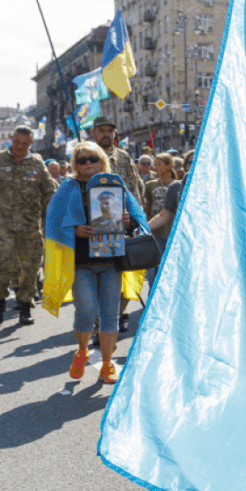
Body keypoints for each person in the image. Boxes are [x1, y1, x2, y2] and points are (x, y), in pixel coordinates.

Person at [43, 142, 147, 385]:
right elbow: (53, 222)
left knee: (111, 316)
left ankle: (108, 364)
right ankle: (81, 352)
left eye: (92, 158)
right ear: (75, 164)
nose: (87, 163)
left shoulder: (115, 184)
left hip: (111, 260)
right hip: (81, 263)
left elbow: (137, 219)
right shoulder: (68, 187)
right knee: (87, 312)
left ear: (102, 160)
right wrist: (74, 229)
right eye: (81, 160)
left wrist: (127, 220)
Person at [0, 126, 57, 326]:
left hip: (29, 226)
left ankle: (25, 307)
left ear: (31, 143)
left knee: (29, 267)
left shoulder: (37, 164)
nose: (19, 147)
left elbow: (49, 192)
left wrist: (54, 217)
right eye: (16, 142)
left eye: (24, 143)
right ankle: (0, 304)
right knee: (3, 265)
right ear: (11, 139)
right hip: (2, 225)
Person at [92, 116, 143, 332]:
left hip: (122, 227)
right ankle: (101, 326)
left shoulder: (123, 158)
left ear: (114, 133)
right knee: (101, 279)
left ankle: (117, 314)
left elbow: (134, 190)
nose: (106, 134)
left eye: (109, 130)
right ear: (94, 133)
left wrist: (136, 219)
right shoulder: (86, 156)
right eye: (101, 130)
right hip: (97, 229)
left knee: (124, 274)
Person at [144, 153, 177, 248]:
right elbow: (148, 207)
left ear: (169, 166)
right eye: (155, 164)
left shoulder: (177, 185)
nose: (155, 167)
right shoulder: (150, 184)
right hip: (156, 230)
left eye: (159, 165)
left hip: (171, 229)